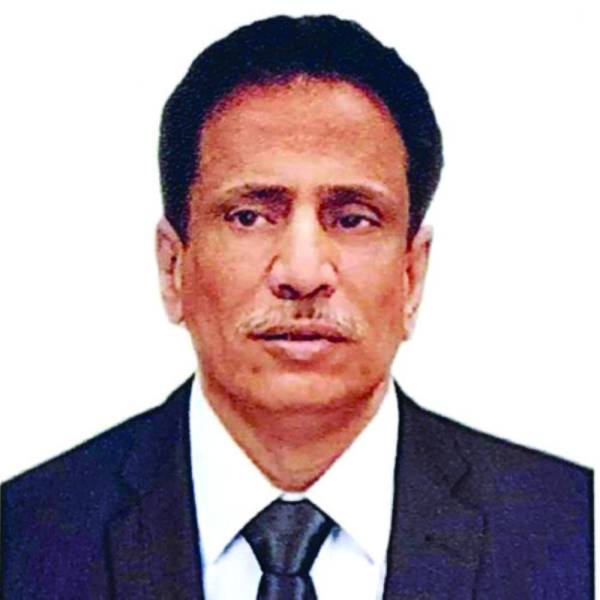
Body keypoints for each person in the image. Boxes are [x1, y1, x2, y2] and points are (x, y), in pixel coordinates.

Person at [1, 15, 592, 599]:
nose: (303, 274)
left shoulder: (573, 536)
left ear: (412, 274)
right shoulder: (23, 541)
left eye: (353, 218)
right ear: (172, 266)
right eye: (250, 216)